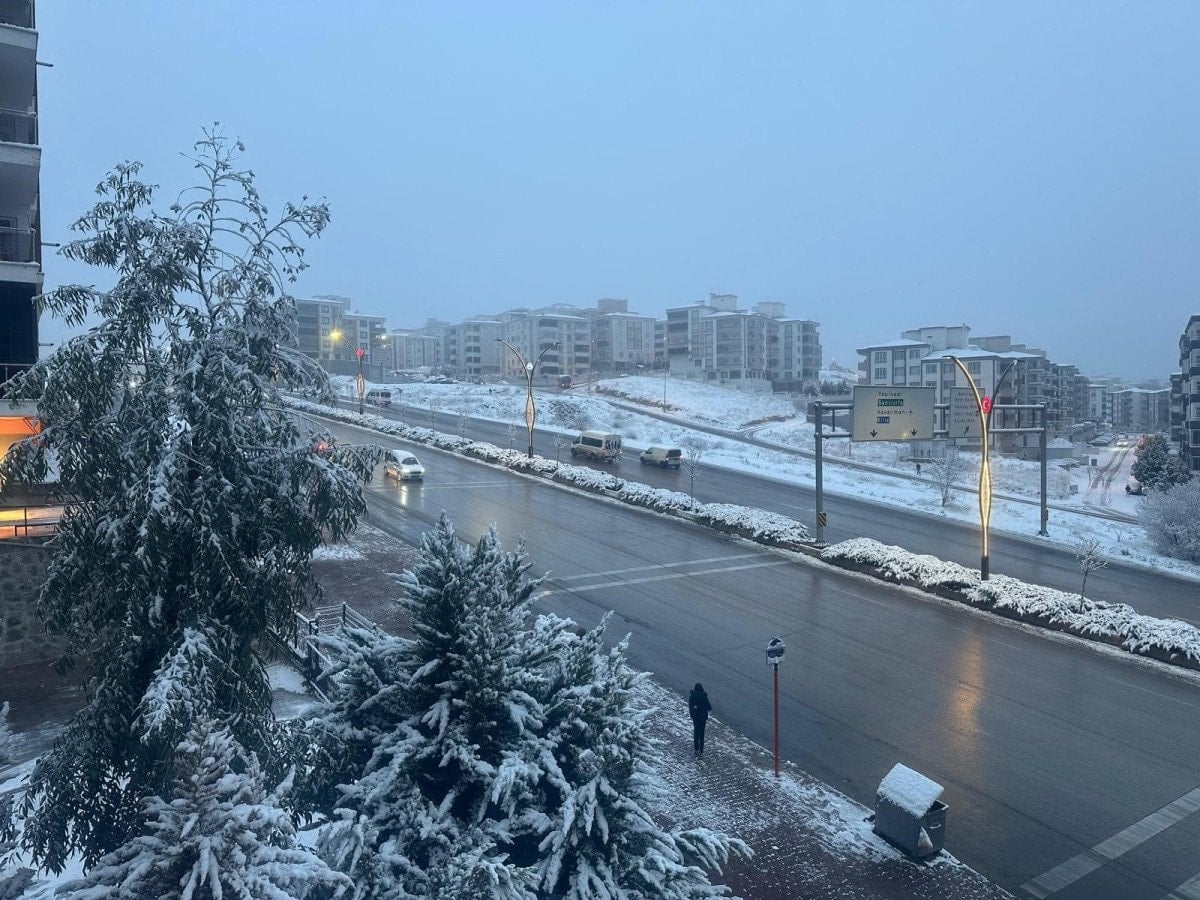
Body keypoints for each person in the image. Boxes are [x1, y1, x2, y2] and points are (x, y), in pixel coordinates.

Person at [688, 683, 711, 758]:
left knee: (696, 731)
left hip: (695, 717)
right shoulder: (704, 696)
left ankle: (696, 748)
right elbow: (709, 707)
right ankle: (701, 751)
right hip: (703, 717)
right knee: (702, 734)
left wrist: (693, 714)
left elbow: (690, 706)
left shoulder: (692, 696)